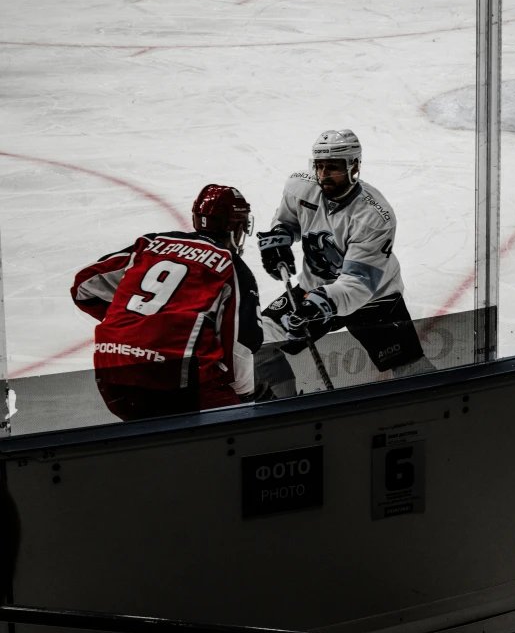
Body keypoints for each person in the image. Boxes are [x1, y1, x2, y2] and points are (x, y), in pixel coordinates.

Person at [256, 130, 435, 396]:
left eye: (333, 167)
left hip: (374, 298)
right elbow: (288, 221)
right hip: (314, 289)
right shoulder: (300, 187)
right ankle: (284, 410)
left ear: (354, 166)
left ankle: (440, 400)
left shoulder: (375, 215)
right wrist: (279, 239)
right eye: (320, 166)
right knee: (259, 342)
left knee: (407, 365)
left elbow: (358, 284)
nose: (324, 174)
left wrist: (319, 303)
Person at [71, 184, 264, 421]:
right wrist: (247, 398)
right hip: (175, 386)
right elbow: (242, 342)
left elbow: (83, 286)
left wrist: (137, 322)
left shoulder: (152, 243)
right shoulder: (232, 266)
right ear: (236, 227)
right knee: (243, 427)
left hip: (112, 377)